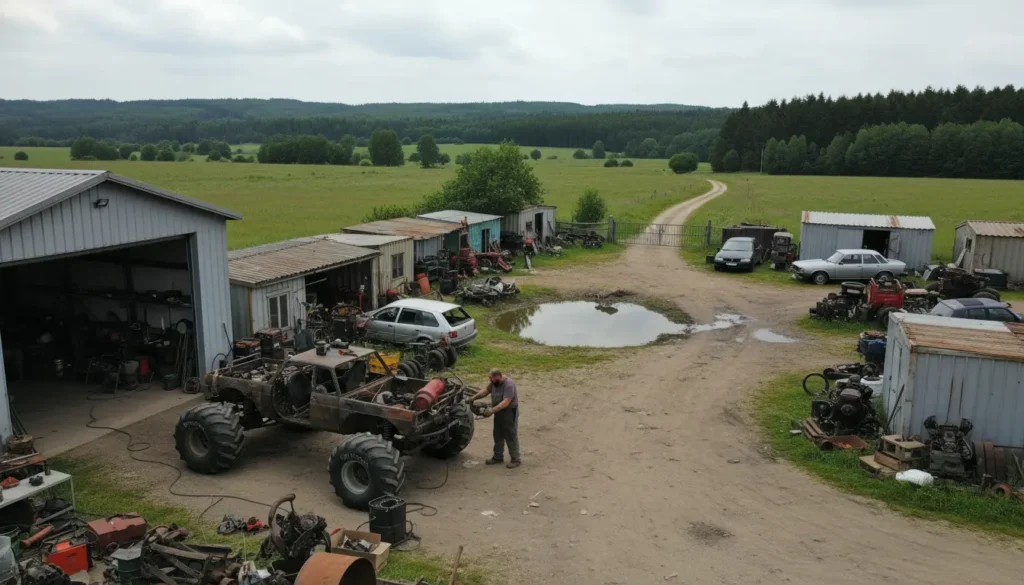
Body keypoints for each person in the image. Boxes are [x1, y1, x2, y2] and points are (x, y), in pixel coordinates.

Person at [468, 368, 520, 469]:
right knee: (498, 433)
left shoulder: (508, 384)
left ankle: (516, 459)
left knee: (510, 434)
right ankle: (498, 456)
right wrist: (473, 398)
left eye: (492, 379)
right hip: (499, 411)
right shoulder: (494, 383)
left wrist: (492, 410)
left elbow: (506, 401)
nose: (490, 381)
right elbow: (485, 391)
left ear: (498, 376)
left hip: (509, 411)